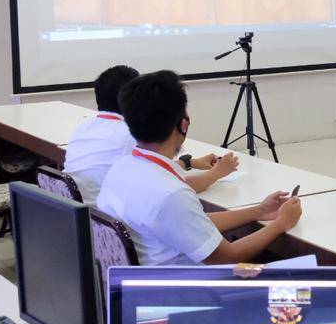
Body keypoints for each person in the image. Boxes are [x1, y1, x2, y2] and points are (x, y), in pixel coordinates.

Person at [97, 70, 302, 266]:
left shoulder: (120, 169)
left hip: (138, 289)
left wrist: (259, 211)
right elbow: (227, 258)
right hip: (184, 294)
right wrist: (281, 224)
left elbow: (192, 223)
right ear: (183, 125)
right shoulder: (170, 194)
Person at [65, 65, 239, 204]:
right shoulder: (130, 135)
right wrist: (218, 172)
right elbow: (173, 188)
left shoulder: (85, 126)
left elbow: (150, 170)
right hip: (105, 219)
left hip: (86, 221)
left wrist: (190, 162)